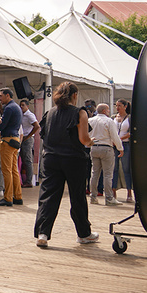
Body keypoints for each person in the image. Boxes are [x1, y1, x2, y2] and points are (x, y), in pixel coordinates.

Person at [34, 82, 98, 248]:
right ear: (74, 95)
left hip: (51, 159)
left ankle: (43, 233)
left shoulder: (49, 113)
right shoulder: (80, 112)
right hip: (73, 159)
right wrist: (91, 142)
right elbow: (84, 139)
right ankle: (84, 234)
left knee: (48, 196)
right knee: (77, 196)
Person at [87, 103, 123, 205]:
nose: (109, 112)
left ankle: (93, 197)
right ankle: (109, 198)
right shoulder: (109, 121)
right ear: (104, 111)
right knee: (108, 174)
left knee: (94, 173)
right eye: (107, 110)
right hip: (106, 148)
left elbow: (87, 133)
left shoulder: (90, 120)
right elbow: (114, 136)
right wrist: (120, 148)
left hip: (94, 147)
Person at [112, 99, 133, 202]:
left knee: (126, 169)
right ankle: (113, 192)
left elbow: (131, 132)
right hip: (114, 145)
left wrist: (119, 139)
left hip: (125, 144)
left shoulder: (129, 118)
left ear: (125, 106)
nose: (117, 108)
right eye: (116, 106)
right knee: (114, 169)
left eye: (119, 106)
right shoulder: (114, 117)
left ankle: (129, 192)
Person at [18, 99, 40, 187]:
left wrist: (29, 136)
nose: (21, 107)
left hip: (27, 138)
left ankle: (29, 181)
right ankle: (24, 179)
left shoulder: (29, 115)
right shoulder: (21, 115)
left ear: (27, 106)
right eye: (20, 105)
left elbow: (37, 126)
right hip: (22, 137)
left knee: (27, 159)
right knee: (23, 158)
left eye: (23, 105)